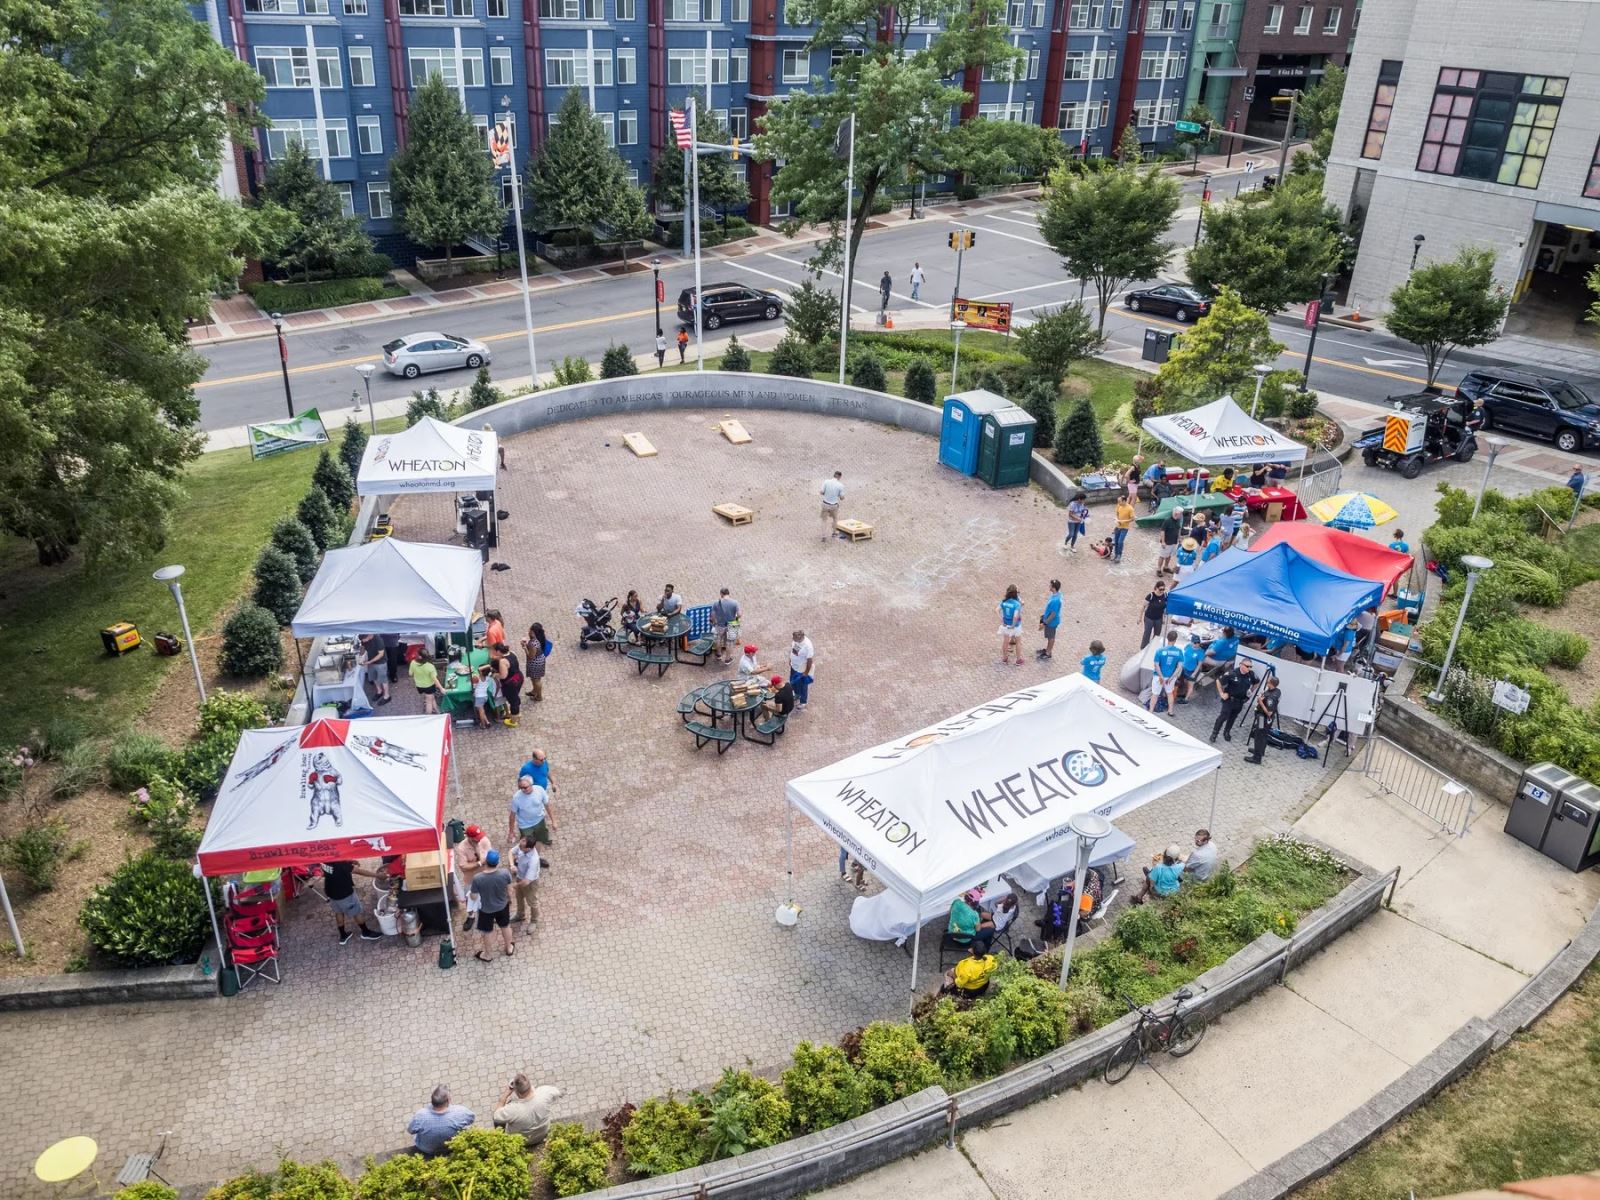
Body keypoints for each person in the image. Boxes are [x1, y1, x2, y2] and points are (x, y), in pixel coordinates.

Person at [493, 1074, 563, 1148]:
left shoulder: (512, 1109)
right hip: (542, 1134)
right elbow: (558, 1092)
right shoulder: (545, 1092)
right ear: (530, 1084)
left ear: (516, 1091)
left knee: (498, 1121)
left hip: (523, 1141)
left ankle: (500, 1137)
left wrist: (505, 1094)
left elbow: (496, 1116)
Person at [323, 859, 382, 944]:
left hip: (331, 892)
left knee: (338, 912)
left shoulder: (323, 859)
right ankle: (366, 932)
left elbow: (335, 868)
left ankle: (343, 936)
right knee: (356, 912)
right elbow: (360, 871)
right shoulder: (341, 863)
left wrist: (350, 862)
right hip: (344, 893)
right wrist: (378, 875)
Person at [471, 849, 514, 961]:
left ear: (485, 861)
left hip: (486, 910)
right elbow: (510, 891)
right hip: (503, 906)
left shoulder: (478, 878)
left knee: (487, 932)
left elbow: (474, 896)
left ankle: (488, 955)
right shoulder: (505, 873)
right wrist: (510, 900)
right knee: (505, 926)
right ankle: (509, 948)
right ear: (498, 862)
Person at [408, 1085, 474, 1157]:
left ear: (432, 1101)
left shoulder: (420, 1115)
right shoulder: (460, 1112)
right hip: (452, 1146)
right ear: (449, 1100)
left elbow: (411, 1130)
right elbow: (471, 1119)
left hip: (427, 1149)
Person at [508, 774, 554, 859]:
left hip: (539, 821)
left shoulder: (539, 790)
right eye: (520, 787)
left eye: (525, 787)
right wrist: (511, 832)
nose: (523, 790)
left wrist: (554, 821)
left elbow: (547, 805)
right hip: (525, 825)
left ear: (531, 784)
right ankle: (520, 858)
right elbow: (512, 816)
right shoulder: (517, 798)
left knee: (541, 838)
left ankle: (543, 843)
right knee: (526, 844)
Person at [1212, 656, 1256, 743]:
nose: (1249, 668)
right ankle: (1214, 733)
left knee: (1232, 718)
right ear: (1241, 665)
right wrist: (1221, 693)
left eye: (1251, 667)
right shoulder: (1232, 673)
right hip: (1229, 700)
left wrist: (1251, 691)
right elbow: (1218, 681)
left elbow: (1257, 682)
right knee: (1223, 717)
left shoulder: (1251, 674)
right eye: (1247, 666)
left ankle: (1227, 732)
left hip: (1240, 701)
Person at [457, 824, 492, 927]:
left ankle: (489, 913)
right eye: (476, 839)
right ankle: (471, 916)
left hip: (485, 875)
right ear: (469, 837)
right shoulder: (461, 848)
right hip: (471, 878)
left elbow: (489, 855)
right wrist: (479, 863)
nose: (479, 840)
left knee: (488, 895)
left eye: (479, 837)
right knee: (469, 896)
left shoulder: (484, 840)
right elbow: (463, 866)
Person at [1245, 671, 1281, 764]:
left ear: (1271, 684)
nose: (1266, 682)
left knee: (1259, 736)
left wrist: (1260, 702)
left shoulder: (1271, 697)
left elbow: (1269, 712)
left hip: (1263, 718)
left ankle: (1257, 758)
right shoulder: (1277, 691)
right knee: (1263, 735)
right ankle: (1260, 751)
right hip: (1265, 719)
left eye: (1268, 681)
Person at [947, 890, 996, 955]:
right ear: (975, 902)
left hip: (952, 934)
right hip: (966, 940)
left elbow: (950, 914)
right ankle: (983, 950)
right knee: (991, 929)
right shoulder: (974, 914)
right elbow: (978, 930)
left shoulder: (956, 902)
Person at [511, 835, 541, 930]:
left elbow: (527, 881)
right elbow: (510, 852)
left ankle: (534, 920)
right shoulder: (522, 844)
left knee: (532, 902)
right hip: (520, 877)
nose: (519, 847)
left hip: (530, 882)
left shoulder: (533, 860)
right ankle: (520, 915)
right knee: (519, 897)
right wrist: (512, 865)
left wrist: (516, 885)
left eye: (521, 846)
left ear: (528, 848)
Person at [1150, 630, 1184, 713]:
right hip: (1170, 677)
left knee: (1155, 694)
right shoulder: (1179, 652)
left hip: (1158, 676)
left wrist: (1161, 676)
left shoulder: (1160, 651)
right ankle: (1170, 710)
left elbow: (1156, 665)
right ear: (1175, 640)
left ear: (1167, 638)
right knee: (1169, 693)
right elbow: (1179, 667)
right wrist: (1171, 677)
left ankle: (1150, 710)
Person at [491, 643, 523, 728]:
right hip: (519, 677)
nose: (494, 653)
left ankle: (513, 721)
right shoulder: (512, 653)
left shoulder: (503, 661)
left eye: (494, 651)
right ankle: (517, 714)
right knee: (515, 697)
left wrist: (496, 675)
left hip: (511, 683)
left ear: (498, 651)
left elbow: (503, 675)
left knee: (513, 701)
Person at [711, 587, 741, 665]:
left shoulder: (716, 603)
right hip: (731, 625)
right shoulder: (735, 603)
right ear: (728, 593)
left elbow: (713, 615)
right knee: (729, 643)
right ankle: (727, 659)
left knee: (718, 639)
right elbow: (739, 614)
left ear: (721, 594)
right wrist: (736, 619)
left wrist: (714, 623)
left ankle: (718, 655)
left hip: (720, 625)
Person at [360, 634, 391, 706]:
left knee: (383, 680)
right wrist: (361, 657)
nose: (363, 641)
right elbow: (362, 647)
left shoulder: (378, 639)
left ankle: (387, 696)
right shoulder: (363, 638)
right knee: (374, 677)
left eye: (363, 640)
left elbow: (381, 654)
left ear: (368, 636)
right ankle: (379, 691)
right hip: (371, 662)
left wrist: (369, 662)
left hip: (381, 662)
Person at [998, 584, 1024, 666]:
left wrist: (1002, 620)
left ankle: (1005, 658)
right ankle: (1018, 660)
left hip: (1005, 625)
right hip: (1015, 626)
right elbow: (1015, 616)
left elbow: (996, 610)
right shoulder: (1017, 604)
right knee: (1018, 642)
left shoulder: (1004, 601)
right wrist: (1013, 625)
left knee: (1005, 641)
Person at [522, 623, 549, 702]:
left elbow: (531, 656)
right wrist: (527, 645)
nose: (528, 631)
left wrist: (524, 648)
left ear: (533, 632)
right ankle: (534, 691)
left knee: (536, 680)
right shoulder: (539, 638)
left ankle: (539, 696)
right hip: (540, 660)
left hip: (535, 663)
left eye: (529, 630)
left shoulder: (533, 643)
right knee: (535, 678)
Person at [1036, 579, 1062, 660]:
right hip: (1049, 620)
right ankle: (1047, 649)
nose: (1049, 586)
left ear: (1053, 588)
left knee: (1051, 637)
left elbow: (1053, 614)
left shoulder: (1055, 600)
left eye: (1050, 585)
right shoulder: (1056, 595)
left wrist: (1045, 623)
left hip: (1051, 622)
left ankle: (1048, 653)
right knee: (1049, 636)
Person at [789, 630, 815, 710]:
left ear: (800, 637)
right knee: (793, 682)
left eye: (794, 638)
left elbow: (809, 660)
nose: (793, 639)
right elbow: (793, 651)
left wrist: (806, 672)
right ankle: (796, 695)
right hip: (794, 666)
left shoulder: (807, 646)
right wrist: (790, 659)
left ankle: (803, 702)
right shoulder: (796, 641)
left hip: (801, 668)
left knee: (802, 686)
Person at [1177, 632, 1205, 704]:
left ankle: (1186, 699)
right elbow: (1184, 652)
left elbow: (1199, 665)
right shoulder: (1188, 646)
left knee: (1190, 685)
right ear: (1191, 642)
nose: (1196, 644)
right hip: (1184, 668)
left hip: (1192, 670)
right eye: (1194, 642)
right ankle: (1184, 693)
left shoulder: (1200, 652)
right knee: (1185, 682)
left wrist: (1194, 673)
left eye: (1198, 642)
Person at [1140, 581, 1168, 649]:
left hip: (1158, 618)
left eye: (1163, 589)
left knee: (1157, 634)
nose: (1162, 591)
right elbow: (1143, 607)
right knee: (1147, 633)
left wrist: (1164, 618)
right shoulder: (1151, 596)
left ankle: (1153, 647)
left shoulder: (1165, 595)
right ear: (1156, 588)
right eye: (1160, 589)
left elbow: (1165, 607)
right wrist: (1140, 617)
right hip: (1149, 618)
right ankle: (1143, 648)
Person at [819, 470, 845, 543]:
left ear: (834, 475)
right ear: (839, 477)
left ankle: (823, 536)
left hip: (825, 504)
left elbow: (821, 492)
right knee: (835, 519)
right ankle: (834, 533)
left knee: (824, 520)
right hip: (834, 505)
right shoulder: (840, 485)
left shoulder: (826, 482)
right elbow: (842, 498)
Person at [1157, 506, 1184, 575]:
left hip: (1174, 542)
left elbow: (1178, 530)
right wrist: (1163, 541)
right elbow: (1162, 531)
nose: (1181, 515)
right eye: (1181, 513)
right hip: (1167, 542)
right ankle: (1159, 569)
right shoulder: (1167, 521)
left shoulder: (1178, 520)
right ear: (1176, 513)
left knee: (1169, 555)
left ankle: (1166, 567)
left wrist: (1179, 538)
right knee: (1162, 556)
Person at [472, 664, 497, 728]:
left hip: (479, 696)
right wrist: (488, 667)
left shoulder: (478, 677)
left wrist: (488, 665)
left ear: (481, 672)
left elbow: (478, 670)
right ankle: (487, 722)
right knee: (481, 710)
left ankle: (483, 725)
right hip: (484, 696)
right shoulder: (488, 677)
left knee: (481, 711)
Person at [1113, 493, 1135, 563]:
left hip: (1124, 528)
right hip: (1117, 526)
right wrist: (1117, 519)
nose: (1118, 503)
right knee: (1116, 541)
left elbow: (1132, 519)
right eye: (1118, 501)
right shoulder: (1118, 506)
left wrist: (1123, 521)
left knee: (1120, 542)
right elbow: (1116, 513)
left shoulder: (1130, 508)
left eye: (1119, 501)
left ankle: (1119, 555)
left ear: (1124, 501)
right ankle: (1116, 554)